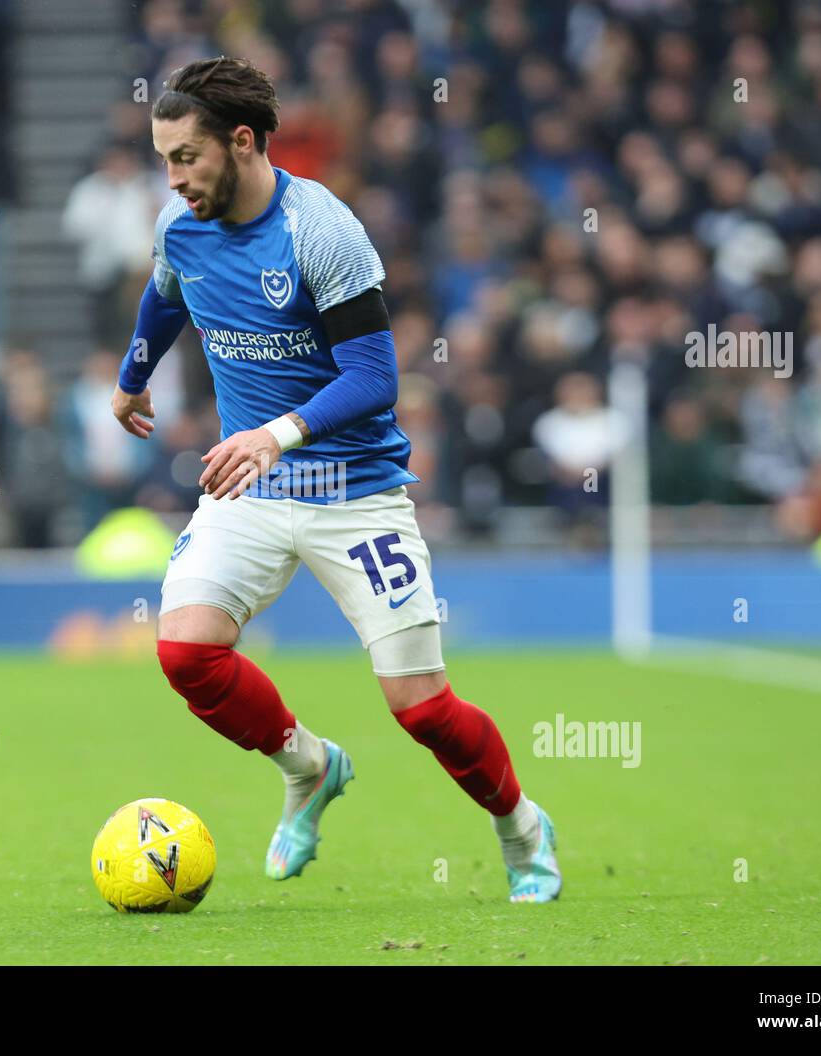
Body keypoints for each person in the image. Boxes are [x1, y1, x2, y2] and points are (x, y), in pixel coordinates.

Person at [111, 57, 561, 902]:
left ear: (242, 142)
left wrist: (276, 435)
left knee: (421, 707)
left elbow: (374, 378)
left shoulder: (321, 231)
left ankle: (522, 828)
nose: (173, 178)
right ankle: (309, 766)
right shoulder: (182, 225)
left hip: (354, 493)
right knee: (187, 652)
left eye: (187, 158)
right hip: (252, 489)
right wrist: (134, 377)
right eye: (164, 159)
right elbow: (167, 295)